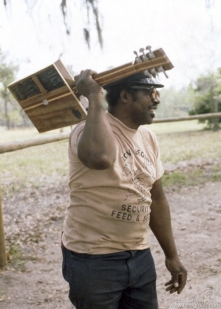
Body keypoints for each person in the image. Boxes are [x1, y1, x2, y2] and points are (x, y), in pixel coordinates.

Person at [61, 69, 187, 309]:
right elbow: (100, 158)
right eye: (150, 92)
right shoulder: (87, 130)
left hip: (139, 255)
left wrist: (172, 255)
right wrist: (95, 96)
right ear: (125, 97)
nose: (156, 99)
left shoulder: (148, 137)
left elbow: (156, 198)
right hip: (93, 260)